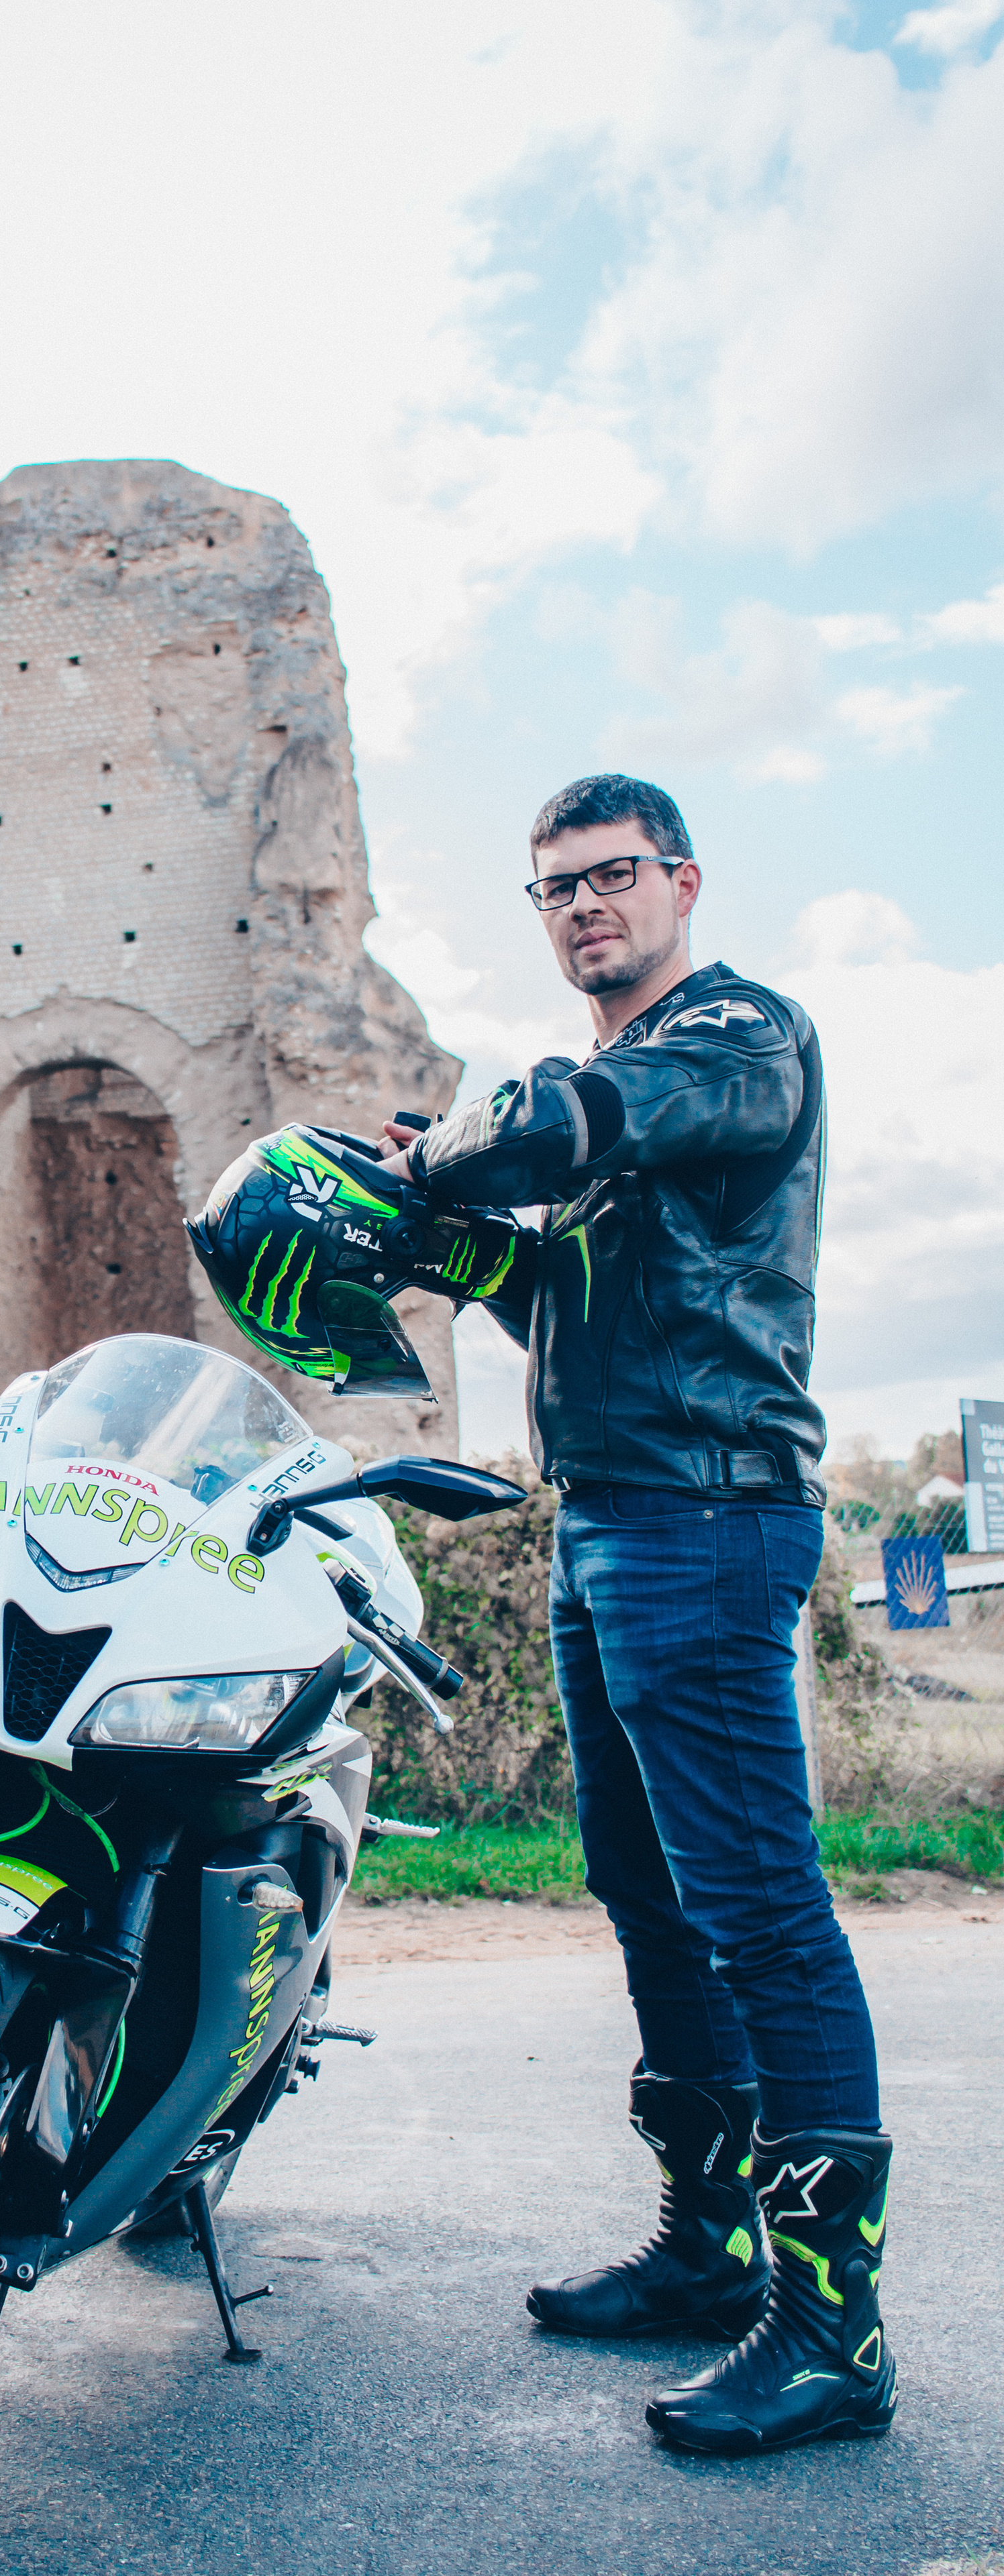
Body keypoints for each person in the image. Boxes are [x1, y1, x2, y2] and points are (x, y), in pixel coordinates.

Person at [375, 775, 893, 2459]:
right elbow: (565, 1290)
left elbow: (556, 1121)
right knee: (646, 1893)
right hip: (604, 1517)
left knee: (758, 1910)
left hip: (708, 1514)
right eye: (556, 888)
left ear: (680, 882)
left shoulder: (733, 1038)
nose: (585, 906)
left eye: (611, 876)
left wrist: (436, 1157)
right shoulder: (616, 1112)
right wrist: (453, 1248)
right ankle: (707, 2248)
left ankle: (830, 2335)